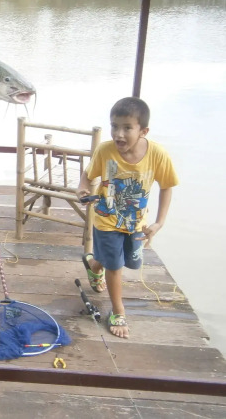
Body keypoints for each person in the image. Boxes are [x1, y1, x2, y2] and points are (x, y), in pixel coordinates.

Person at [77, 97, 178, 339]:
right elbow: (88, 175)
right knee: (115, 266)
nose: (118, 134)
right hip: (106, 219)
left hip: (136, 223)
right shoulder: (105, 151)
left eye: (127, 128)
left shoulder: (158, 154)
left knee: (130, 261)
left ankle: (94, 265)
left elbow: (166, 186)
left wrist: (159, 222)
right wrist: (82, 189)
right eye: (114, 126)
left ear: (143, 131)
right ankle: (118, 311)